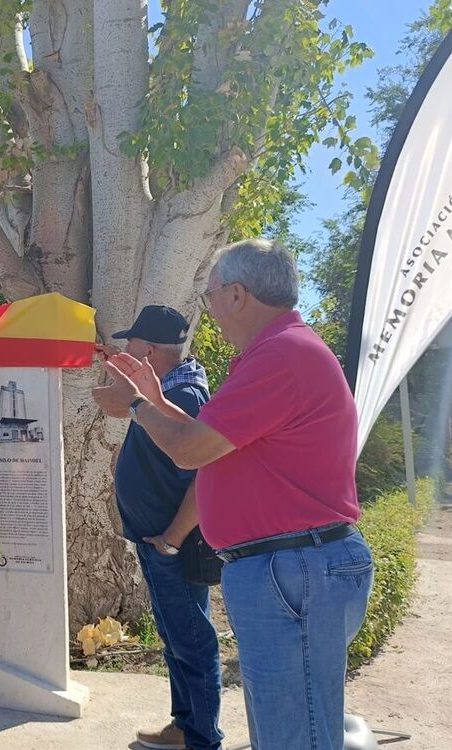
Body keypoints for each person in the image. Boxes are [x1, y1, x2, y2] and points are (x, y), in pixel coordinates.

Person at [102, 239, 373, 750]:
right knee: (288, 733)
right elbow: (215, 449)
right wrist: (154, 399)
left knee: (296, 739)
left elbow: (188, 451)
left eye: (209, 298)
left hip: (293, 570)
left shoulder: (279, 356)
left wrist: (136, 404)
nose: (211, 312)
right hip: (292, 569)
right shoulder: (278, 353)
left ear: (237, 294)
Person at [93, 305, 222, 750]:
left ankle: (203, 737)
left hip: (174, 545)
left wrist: (171, 540)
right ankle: (185, 728)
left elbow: (207, 474)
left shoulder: (184, 395)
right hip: (161, 543)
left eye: (132, 344)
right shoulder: (169, 385)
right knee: (176, 638)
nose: (126, 349)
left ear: (148, 350)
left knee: (191, 643)